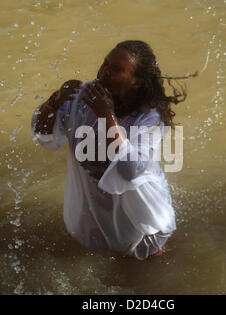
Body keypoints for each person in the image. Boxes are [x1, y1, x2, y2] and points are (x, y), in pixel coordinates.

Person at [31, 40, 192, 260]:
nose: (104, 71)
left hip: (144, 224)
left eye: (115, 69)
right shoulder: (84, 99)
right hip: (95, 216)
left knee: (151, 279)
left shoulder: (150, 118)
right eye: (105, 63)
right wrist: (55, 101)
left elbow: (130, 170)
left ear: (137, 82)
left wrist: (106, 115)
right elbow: (43, 135)